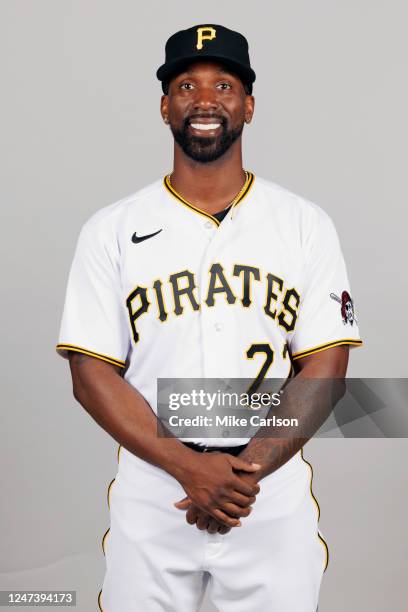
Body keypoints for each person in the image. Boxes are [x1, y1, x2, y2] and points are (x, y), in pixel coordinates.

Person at [56, 23, 362, 612]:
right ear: (165, 105)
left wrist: (239, 474)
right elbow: (90, 375)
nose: (204, 100)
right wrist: (186, 468)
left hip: (267, 492)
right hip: (154, 486)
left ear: (248, 104)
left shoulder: (304, 224)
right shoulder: (111, 230)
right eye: (185, 85)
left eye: (223, 84)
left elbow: (327, 366)